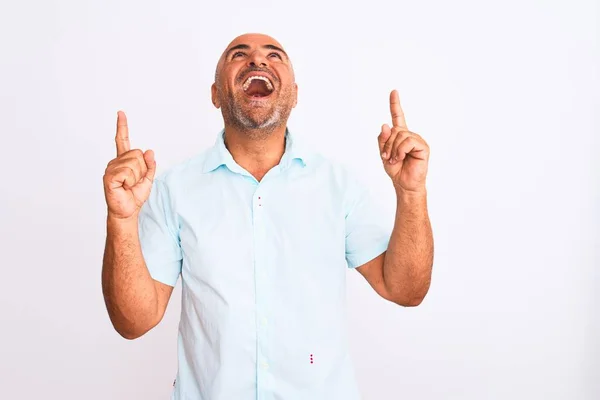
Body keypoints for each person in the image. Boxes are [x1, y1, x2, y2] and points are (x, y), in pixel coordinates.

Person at [101, 33, 434, 400]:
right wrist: (121, 220)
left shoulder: (338, 186)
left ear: (294, 93)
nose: (257, 61)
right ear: (215, 94)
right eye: (238, 54)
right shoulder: (172, 190)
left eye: (274, 55)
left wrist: (411, 192)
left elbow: (405, 290)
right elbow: (134, 321)